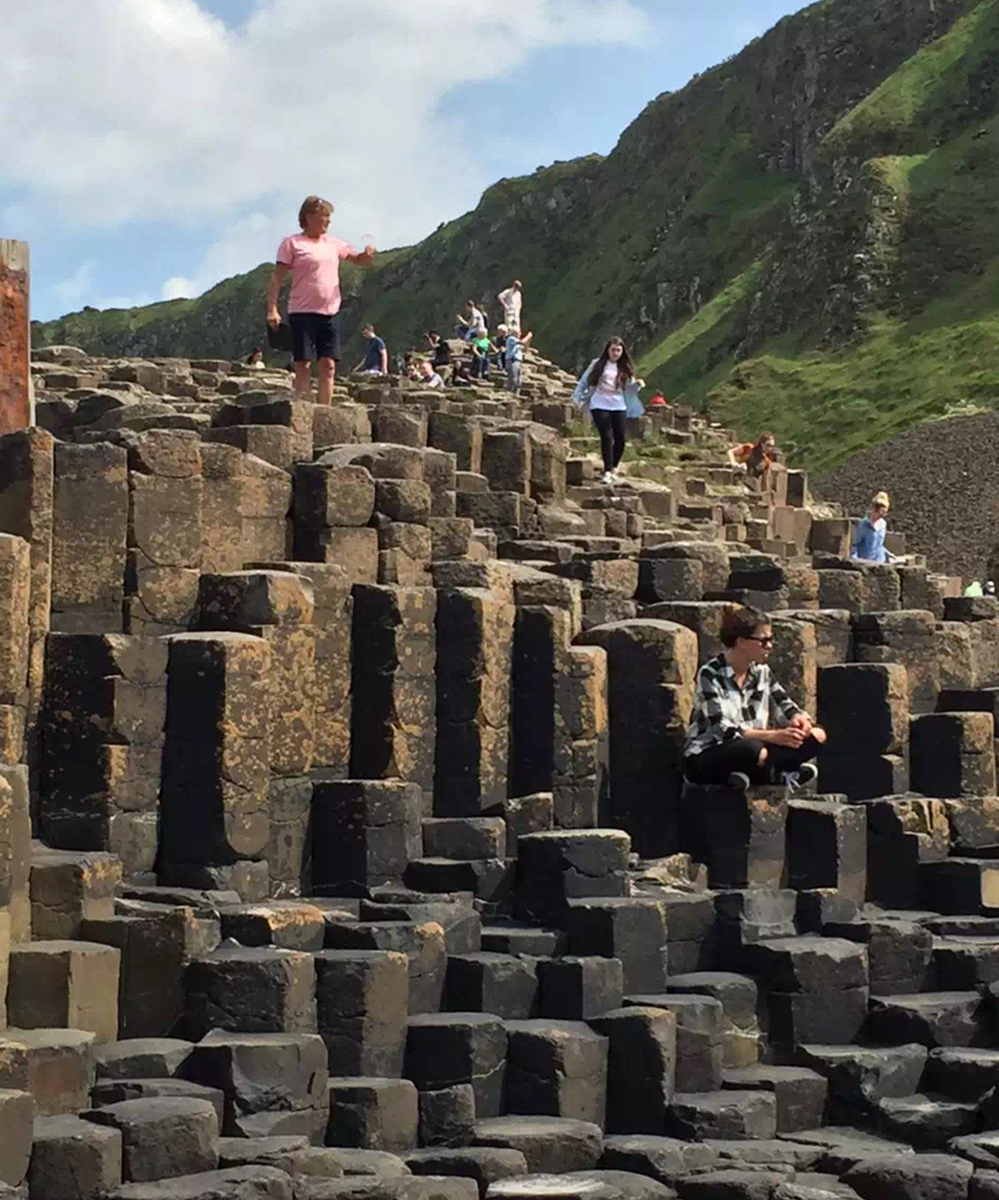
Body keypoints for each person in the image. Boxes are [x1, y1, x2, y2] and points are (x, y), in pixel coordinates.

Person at [684, 606, 828, 793]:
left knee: (818, 735)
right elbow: (722, 730)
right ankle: (777, 773)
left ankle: (759, 773)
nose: (770, 646)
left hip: (758, 748)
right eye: (763, 640)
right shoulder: (710, 674)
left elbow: (784, 704)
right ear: (742, 642)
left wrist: (799, 720)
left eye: (771, 639)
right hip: (710, 752)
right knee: (752, 750)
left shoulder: (762, 672)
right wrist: (774, 736)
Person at [267, 195, 376, 406]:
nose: (328, 221)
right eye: (323, 216)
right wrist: (272, 308)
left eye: (329, 217)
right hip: (301, 312)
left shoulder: (334, 243)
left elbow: (358, 260)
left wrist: (367, 254)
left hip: (330, 312)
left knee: (328, 364)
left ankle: (324, 411)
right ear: (308, 217)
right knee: (303, 364)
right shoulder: (292, 243)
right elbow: (276, 278)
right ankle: (304, 410)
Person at [572, 336, 644, 486]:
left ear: (622, 352)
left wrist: (637, 385)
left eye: (618, 350)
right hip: (599, 402)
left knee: (620, 438)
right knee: (606, 436)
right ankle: (607, 471)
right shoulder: (597, 364)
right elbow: (584, 381)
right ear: (607, 350)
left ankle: (614, 466)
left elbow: (629, 388)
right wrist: (577, 398)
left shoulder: (625, 367)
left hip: (619, 404)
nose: (615, 353)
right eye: (613, 350)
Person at [851, 492, 894, 564]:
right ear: (874, 510)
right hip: (866, 562)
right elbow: (855, 544)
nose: (882, 515)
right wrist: (854, 560)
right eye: (881, 512)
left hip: (880, 561)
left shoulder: (883, 524)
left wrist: (888, 553)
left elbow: (879, 545)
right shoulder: (864, 525)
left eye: (884, 513)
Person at [505, 328, 533, 395]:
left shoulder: (517, 341)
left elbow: (525, 349)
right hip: (512, 360)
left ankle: (516, 393)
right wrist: (528, 336)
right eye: (519, 332)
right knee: (513, 378)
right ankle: (510, 392)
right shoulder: (511, 339)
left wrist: (528, 340)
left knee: (518, 379)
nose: (520, 334)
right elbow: (522, 342)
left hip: (518, 361)